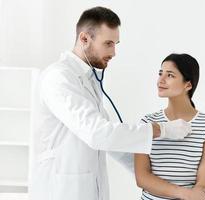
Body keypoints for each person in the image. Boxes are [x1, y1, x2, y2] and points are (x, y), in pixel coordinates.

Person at [30, 7, 192, 200]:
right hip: (60, 191)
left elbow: (112, 145)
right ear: (84, 39)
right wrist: (162, 129)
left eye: (115, 44)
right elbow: (98, 133)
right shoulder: (58, 78)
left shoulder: (87, 80)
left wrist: (156, 179)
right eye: (108, 44)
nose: (114, 52)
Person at [135, 53, 205, 200]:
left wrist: (192, 194)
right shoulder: (147, 123)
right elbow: (142, 178)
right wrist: (185, 193)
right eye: (160, 73)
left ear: (188, 84)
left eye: (170, 75)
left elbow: (203, 186)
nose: (160, 80)